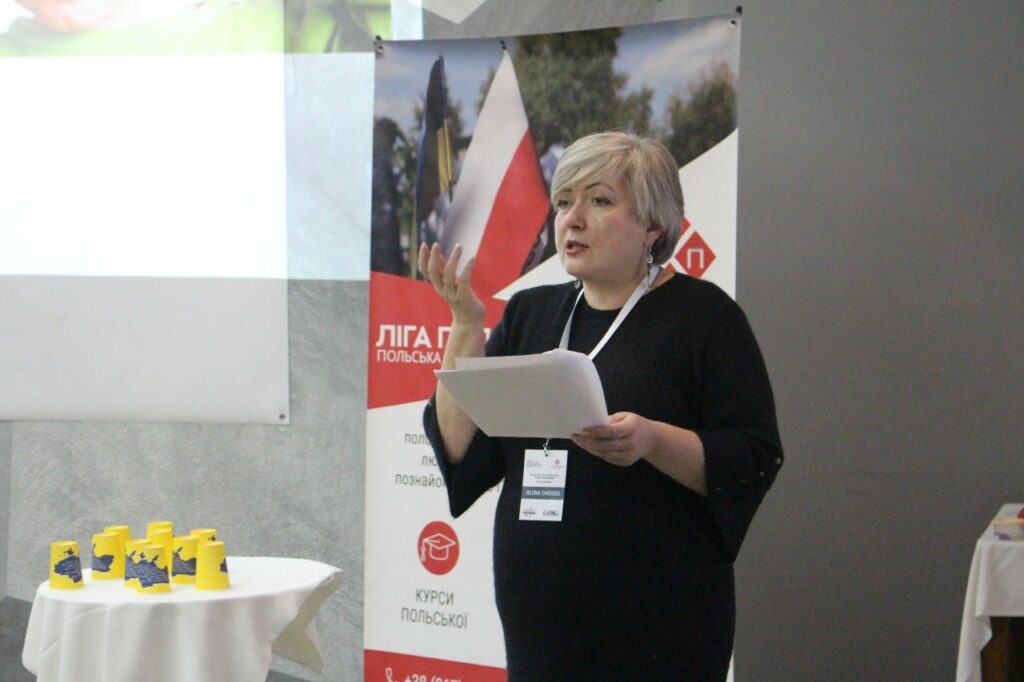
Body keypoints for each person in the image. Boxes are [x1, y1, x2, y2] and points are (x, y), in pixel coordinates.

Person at [420, 130, 783, 680]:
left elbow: (752, 455)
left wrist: (652, 440)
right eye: (564, 202)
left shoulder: (705, 318)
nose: (573, 219)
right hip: (541, 620)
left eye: (599, 200)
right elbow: (462, 449)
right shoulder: (530, 314)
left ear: (652, 227)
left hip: (662, 618)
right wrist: (466, 323)